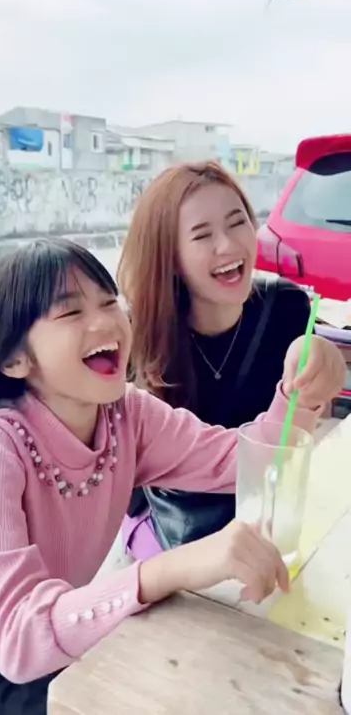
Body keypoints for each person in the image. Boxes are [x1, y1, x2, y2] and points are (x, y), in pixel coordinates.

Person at [0, 239, 339, 715]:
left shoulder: (127, 416)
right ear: (14, 359)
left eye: (109, 302)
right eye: (71, 312)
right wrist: (172, 568)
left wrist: (303, 393)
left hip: (56, 640)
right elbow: (18, 640)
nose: (106, 322)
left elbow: (244, 463)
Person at [118, 162, 346, 559]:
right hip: (171, 532)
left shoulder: (286, 308)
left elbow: (294, 437)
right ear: (169, 256)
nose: (227, 245)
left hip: (264, 517)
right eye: (202, 235)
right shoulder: (136, 335)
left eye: (237, 222)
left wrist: (319, 373)